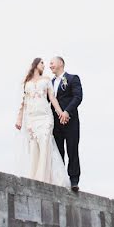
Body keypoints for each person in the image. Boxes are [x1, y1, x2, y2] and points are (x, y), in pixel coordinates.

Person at [15, 57, 70, 188]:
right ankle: (34, 178)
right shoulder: (26, 82)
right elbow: (23, 103)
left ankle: (43, 180)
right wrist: (19, 119)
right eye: (42, 63)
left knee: (45, 144)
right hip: (31, 118)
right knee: (34, 147)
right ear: (35, 64)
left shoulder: (46, 80)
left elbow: (52, 98)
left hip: (45, 117)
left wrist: (61, 112)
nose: (44, 66)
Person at [49, 56, 82, 192]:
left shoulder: (73, 78)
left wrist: (67, 112)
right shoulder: (49, 83)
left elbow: (78, 97)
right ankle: (61, 179)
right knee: (58, 151)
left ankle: (74, 180)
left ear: (60, 63)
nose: (50, 65)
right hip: (55, 122)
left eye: (52, 63)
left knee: (72, 149)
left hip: (70, 121)